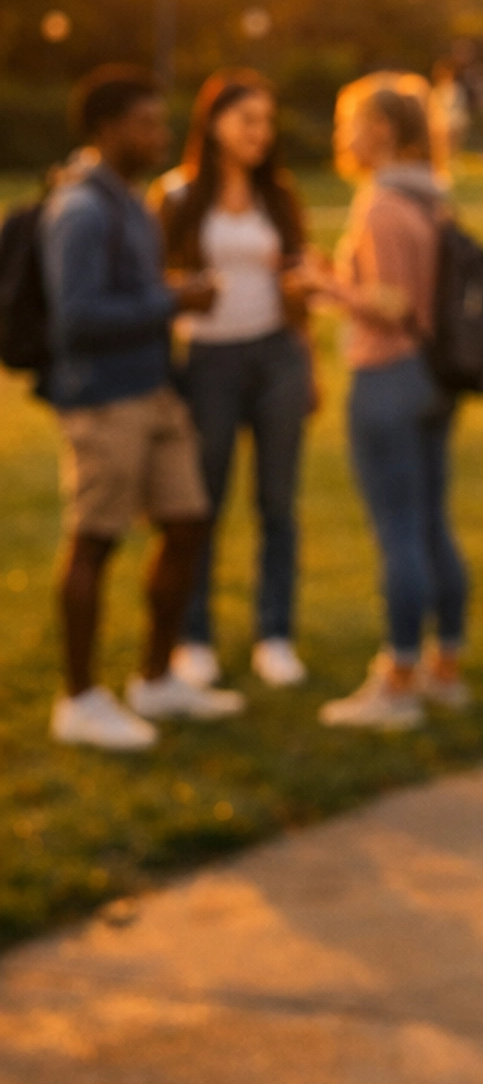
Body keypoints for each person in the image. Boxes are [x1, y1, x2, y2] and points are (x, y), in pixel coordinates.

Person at [42, 66, 247, 750]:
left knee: (187, 522)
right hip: (104, 397)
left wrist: (170, 290)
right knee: (94, 541)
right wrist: (175, 301)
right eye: (147, 123)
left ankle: (155, 678)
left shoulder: (128, 199)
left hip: (154, 389)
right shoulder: (82, 208)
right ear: (107, 129)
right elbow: (76, 316)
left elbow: (124, 289)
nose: (161, 134)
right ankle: (79, 698)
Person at [312, 73, 469, 731]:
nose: (344, 134)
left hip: (386, 377)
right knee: (432, 522)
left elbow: (392, 303)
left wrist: (322, 283)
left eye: (351, 120)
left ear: (378, 131)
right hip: (433, 380)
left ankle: (398, 681)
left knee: (398, 533)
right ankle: (446, 671)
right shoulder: (432, 195)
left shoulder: (379, 201)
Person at [154, 69, 312, 690]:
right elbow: (153, 285)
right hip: (209, 362)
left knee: (277, 503)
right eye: (248, 119)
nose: (260, 132)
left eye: (267, 121)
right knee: (203, 503)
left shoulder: (280, 195)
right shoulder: (176, 196)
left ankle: (275, 635)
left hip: (277, 356)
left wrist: (310, 362)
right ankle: (193, 637)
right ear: (213, 122)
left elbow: (299, 287)